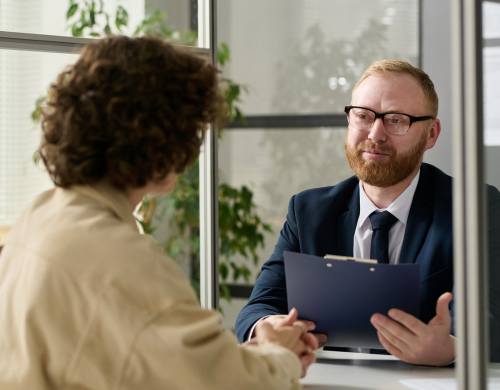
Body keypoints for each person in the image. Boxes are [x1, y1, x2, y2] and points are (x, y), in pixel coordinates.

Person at [0, 36, 319, 389]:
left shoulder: (40, 215)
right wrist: (281, 355)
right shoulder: (120, 256)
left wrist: (260, 349)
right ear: (163, 140)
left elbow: (154, 362)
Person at [235, 60, 500, 366]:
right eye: (363, 116)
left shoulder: (475, 208)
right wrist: (268, 329)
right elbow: (259, 306)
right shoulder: (308, 211)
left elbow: (488, 311)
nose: (376, 134)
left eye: (396, 120)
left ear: (431, 134)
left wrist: (451, 346)